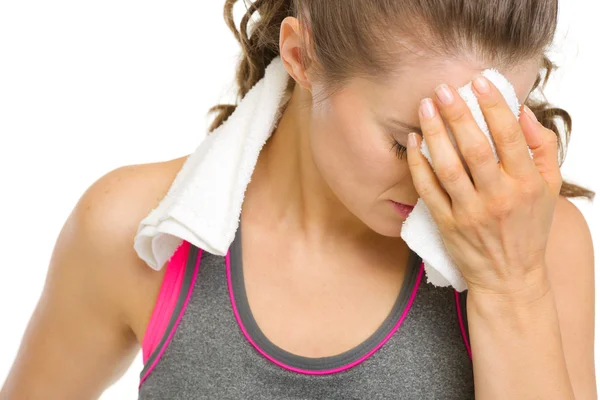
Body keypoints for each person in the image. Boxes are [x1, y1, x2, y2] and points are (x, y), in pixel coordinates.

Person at [1, 0, 596, 399]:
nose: (440, 179)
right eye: (402, 142)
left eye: (481, 142)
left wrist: (511, 284)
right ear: (302, 55)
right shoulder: (136, 232)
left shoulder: (539, 242)